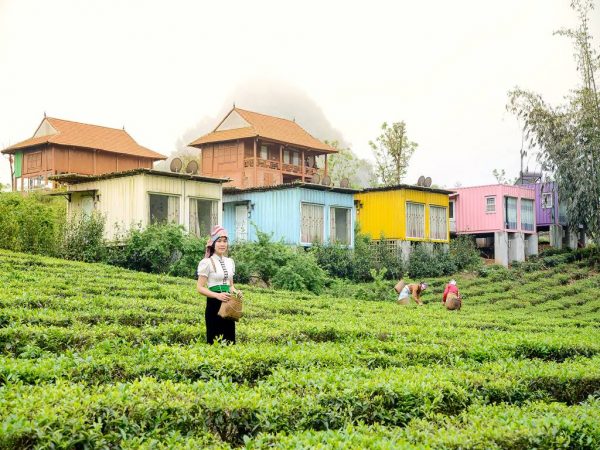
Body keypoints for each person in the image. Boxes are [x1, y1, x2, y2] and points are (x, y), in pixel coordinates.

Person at [196, 225, 238, 344]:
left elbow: (231, 285)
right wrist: (217, 295)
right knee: (215, 340)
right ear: (213, 244)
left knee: (229, 340)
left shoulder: (230, 262)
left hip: (228, 304)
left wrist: (236, 291)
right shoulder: (207, 263)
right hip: (214, 304)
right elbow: (199, 288)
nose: (222, 244)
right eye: (219, 241)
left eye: (225, 241)